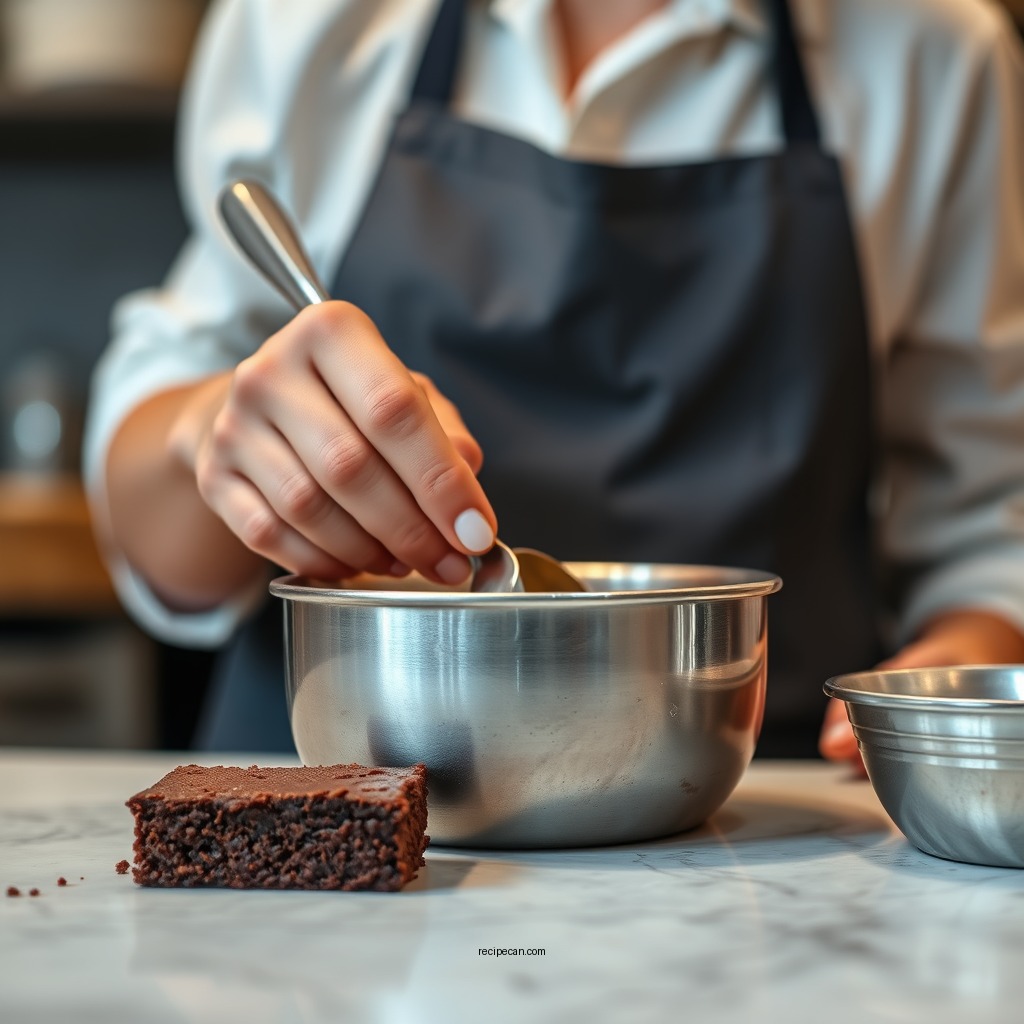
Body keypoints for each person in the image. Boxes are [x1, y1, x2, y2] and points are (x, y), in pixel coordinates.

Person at [84, 0, 1024, 763]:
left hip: (751, 818)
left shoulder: (934, 54)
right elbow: (154, 529)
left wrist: (966, 667)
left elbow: (987, 525)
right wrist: (214, 433)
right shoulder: (313, 22)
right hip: (334, 805)